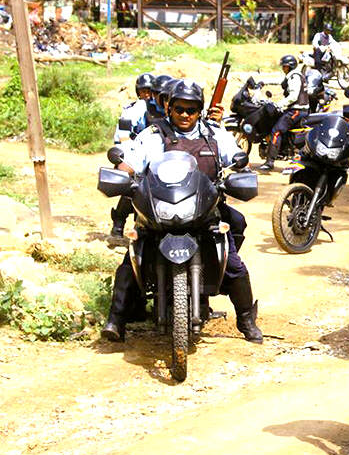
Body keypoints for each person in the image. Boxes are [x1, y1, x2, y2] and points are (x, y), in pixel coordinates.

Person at [102, 79, 263, 343]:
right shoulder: (153, 135)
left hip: (204, 211)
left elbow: (236, 159)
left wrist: (240, 170)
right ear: (170, 108)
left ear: (200, 110)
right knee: (133, 259)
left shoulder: (214, 135)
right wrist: (123, 174)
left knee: (233, 262)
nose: (185, 115)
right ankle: (116, 320)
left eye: (191, 109)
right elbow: (130, 162)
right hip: (161, 210)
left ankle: (246, 319)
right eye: (180, 109)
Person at [109, 73, 157, 237]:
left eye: (150, 91)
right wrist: (133, 154)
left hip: (157, 156)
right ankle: (119, 220)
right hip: (136, 155)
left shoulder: (164, 108)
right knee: (132, 189)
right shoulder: (135, 110)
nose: (147, 95)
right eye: (143, 91)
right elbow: (123, 136)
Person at [261, 55, 309, 172]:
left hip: (297, 110)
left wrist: (279, 104)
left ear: (289, 66)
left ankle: (270, 162)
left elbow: (293, 96)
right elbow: (281, 82)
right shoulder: (293, 75)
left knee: (276, 131)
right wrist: (264, 82)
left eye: (285, 66)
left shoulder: (295, 77)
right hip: (295, 109)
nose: (283, 68)